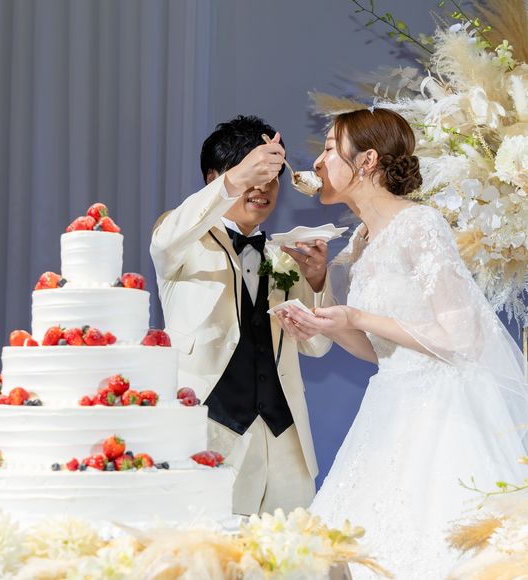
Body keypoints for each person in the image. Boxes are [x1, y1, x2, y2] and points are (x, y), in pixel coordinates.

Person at [276, 108, 528, 578]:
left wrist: (355, 315)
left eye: (329, 149)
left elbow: (463, 335)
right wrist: (325, 317)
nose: (318, 163)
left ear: (367, 160)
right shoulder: (361, 240)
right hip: (389, 405)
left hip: (441, 413)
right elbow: (381, 350)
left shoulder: (420, 225)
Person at [150, 115, 334, 515]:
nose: (263, 187)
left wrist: (318, 281)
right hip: (209, 433)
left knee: (295, 549)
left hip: (286, 440)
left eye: (271, 178)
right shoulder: (180, 238)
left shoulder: (285, 254)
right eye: (253, 174)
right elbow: (164, 243)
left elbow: (318, 345)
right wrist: (237, 179)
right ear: (213, 178)